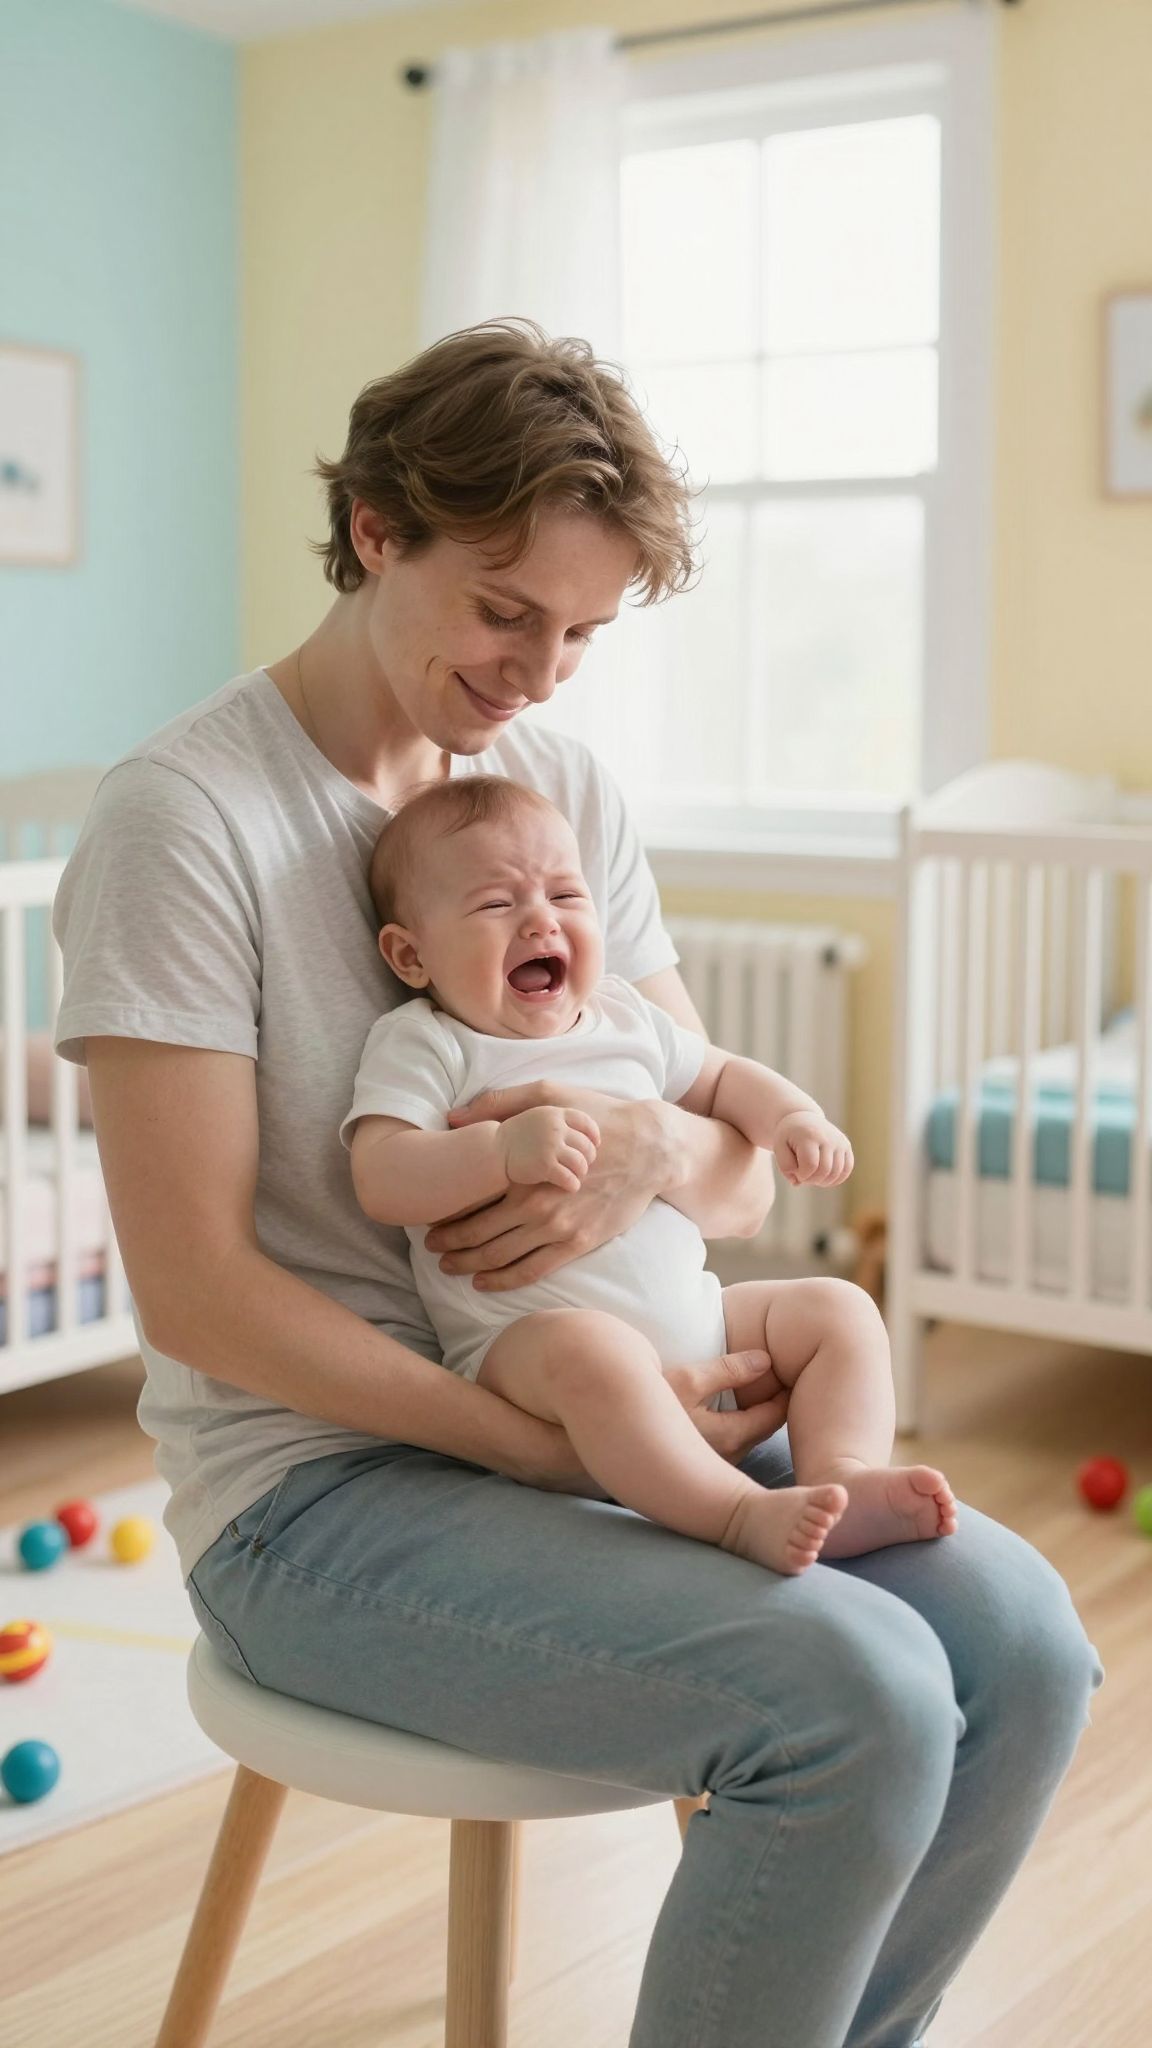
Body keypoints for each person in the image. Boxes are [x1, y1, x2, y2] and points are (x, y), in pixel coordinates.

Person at [53, 318, 1101, 2048]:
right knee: (856, 1697)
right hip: (329, 1490)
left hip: (626, 1395)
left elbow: (730, 1176)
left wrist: (641, 1160)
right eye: (505, 610)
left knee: (1023, 1648)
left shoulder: (559, 800)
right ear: (378, 527)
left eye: (585, 633)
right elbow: (199, 1296)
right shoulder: (188, 822)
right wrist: (540, 1441)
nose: (541, 673)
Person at [345, 772, 958, 1577]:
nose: (541, 919)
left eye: (566, 895)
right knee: (595, 1352)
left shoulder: (628, 1017)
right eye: (497, 904)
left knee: (836, 1308)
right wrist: (496, 1153)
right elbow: (381, 1175)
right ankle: (736, 1515)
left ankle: (842, 1477)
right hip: (526, 1352)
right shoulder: (428, 1043)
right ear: (411, 954)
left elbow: (725, 1078)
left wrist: (793, 1119)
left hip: (701, 1323)